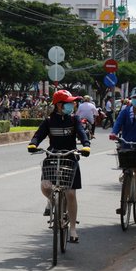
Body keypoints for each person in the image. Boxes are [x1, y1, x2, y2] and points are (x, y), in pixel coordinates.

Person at [27, 90, 91, 243]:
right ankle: (52, 200)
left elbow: (82, 133)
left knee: (70, 194)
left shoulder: (74, 119)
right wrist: (33, 144)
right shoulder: (49, 121)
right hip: (53, 156)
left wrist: (86, 145)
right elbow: (38, 135)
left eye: (72, 102)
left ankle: (73, 228)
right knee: (45, 186)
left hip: (70, 157)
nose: (72, 105)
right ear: (58, 105)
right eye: (68, 102)